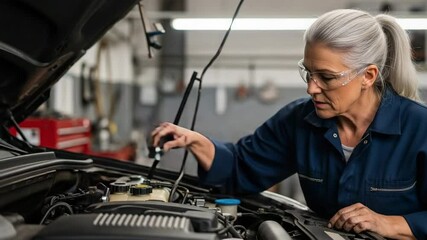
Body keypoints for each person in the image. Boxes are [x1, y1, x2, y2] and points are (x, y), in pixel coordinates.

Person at [151, 9, 426, 239]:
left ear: (367, 76)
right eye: (307, 72)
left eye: (326, 77)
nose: (311, 88)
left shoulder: (420, 128)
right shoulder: (299, 121)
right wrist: (198, 142)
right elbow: (241, 168)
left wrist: (389, 223)